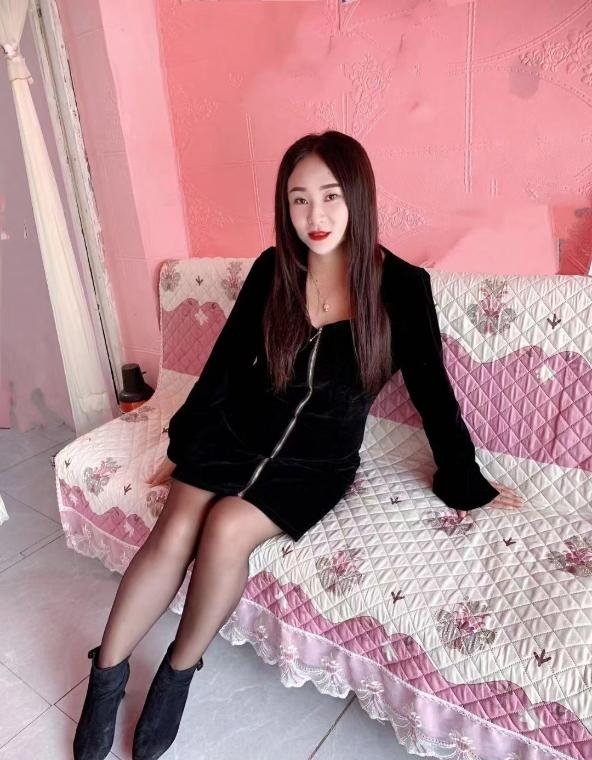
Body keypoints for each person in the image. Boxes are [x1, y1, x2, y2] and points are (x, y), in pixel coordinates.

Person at [73, 130, 524, 760]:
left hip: (316, 461)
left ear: (358, 197)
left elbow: (433, 393)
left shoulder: (402, 287)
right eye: (299, 199)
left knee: (226, 527)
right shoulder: (273, 270)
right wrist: (182, 446)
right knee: (176, 527)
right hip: (235, 432)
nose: (315, 215)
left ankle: (176, 674)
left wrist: (466, 480)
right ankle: (106, 679)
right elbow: (224, 369)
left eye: (331, 196)